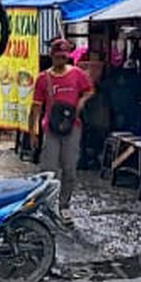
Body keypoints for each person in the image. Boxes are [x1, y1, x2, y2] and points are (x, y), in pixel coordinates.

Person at [32, 37, 95, 221]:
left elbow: (89, 90)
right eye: (58, 57)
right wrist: (34, 131)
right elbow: (36, 107)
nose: (61, 60)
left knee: (70, 169)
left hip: (72, 127)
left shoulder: (77, 74)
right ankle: (44, 205)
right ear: (51, 56)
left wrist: (82, 101)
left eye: (64, 57)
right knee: (49, 169)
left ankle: (64, 204)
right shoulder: (43, 79)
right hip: (50, 128)